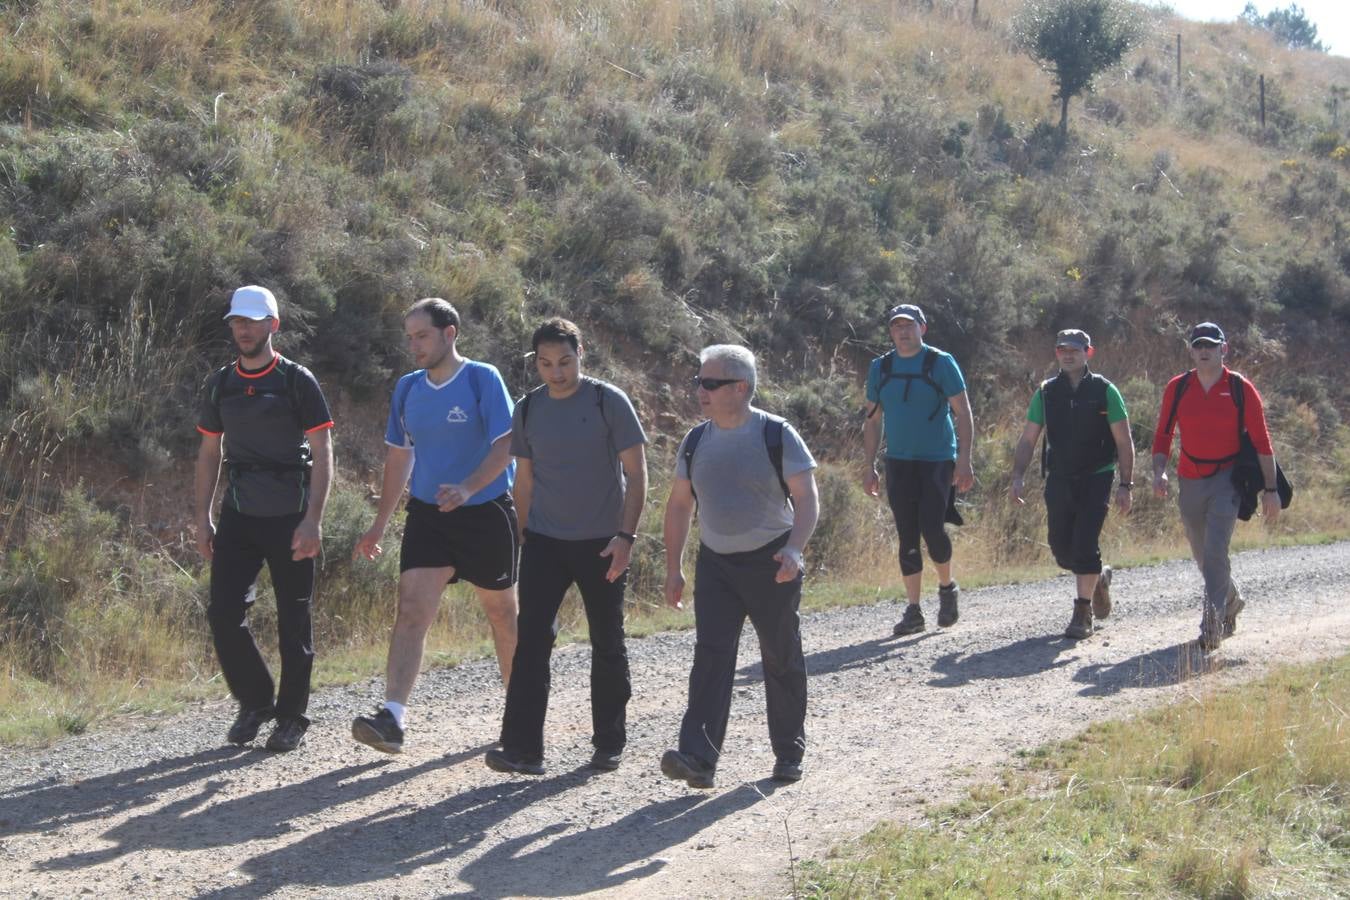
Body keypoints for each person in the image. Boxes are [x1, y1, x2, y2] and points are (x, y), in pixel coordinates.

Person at [351, 298, 519, 753]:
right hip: (428, 515)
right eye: (409, 337)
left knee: (503, 614)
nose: (414, 345)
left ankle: (519, 717)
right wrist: (378, 524)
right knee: (411, 610)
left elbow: (508, 443)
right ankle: (393, 718)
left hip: (485, 510)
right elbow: (399, 456)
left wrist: (467, 487)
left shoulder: (483, 378)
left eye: (422, 335)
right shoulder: (407, 389)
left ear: (450, 334)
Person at [484, 318, 649, 775]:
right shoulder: (529, 408)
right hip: (544, 542)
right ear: (535, 363)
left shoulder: (607, 401)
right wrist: (521, 535)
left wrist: (626, 538)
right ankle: (522, 749)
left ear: (582, 356)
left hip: (602, 543)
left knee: (607, 640)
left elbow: (637, 475)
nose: (556, 372)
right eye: (545, 363)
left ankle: (608, 743)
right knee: (531, 643)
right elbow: (525, 479)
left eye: (564, 362)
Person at [661, 345, 820, 789]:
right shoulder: (695, 441)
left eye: (710, 384)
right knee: (711, 657)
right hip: (716, 565)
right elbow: (678, 506)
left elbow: (806, 500)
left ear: (741, 388)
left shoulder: (776, 434)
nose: (700, 391)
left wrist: (794, 550)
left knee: (780, 654)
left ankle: (789, 753)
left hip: (771, 562)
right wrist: (674, 567)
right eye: (698, 382)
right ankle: (698, 759)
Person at [194, 285, 334, 752]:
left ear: (273, 326)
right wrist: (202, 517)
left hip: (291, 515)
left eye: (252, 321)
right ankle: (256, 701)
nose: (243, 328)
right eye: (237, 321)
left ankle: (292, 717)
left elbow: (322, 450)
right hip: (238, 515)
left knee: (295, 620)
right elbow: (210, 451)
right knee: (223, 614)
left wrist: (313, 520)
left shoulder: (297, 380)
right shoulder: (221, 383)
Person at [1151, 322, 1281, 651]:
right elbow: (1164, 434)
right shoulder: (1177, 388)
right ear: (1191, 350)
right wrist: (1159, 471)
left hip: (1227, 478)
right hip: (1190, 477)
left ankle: (1212, 623)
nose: (1204, 350)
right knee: (1200, 551)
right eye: (1198, 345)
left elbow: (1262, 441)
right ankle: (1232, 600)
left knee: (1215, 549)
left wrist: (1271, 488)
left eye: (1211, 345)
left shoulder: (1240, 388)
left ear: (1224, 348)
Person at [1009, 329, 1135, 639]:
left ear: (1088, 353)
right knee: (1062, 549)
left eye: (1075, 349)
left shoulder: (1105, 391)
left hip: (1098, 475)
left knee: (1085, 543)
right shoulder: (1046, 392)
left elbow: (1124, 440)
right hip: (1060, 477)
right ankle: (1098, 580)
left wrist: (1125, 484)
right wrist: (1018, 475)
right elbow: (1028, 438)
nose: (1068, 354)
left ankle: (1082, 613)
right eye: (1062, 348)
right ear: (1056, 353)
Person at [862, 304, 975, 637]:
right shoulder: (880, 368)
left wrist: (964, 458)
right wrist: (869, 465)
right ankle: (913, 610)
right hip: (899, 461)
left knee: (932, 527)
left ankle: (946, 588)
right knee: (906, 534)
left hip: (937, 459)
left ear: (922, 329)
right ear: (891, 332)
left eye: (909, 326)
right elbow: (872, 420)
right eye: (896, 327)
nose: (903, 332)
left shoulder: (940, 363)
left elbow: (964, 413)